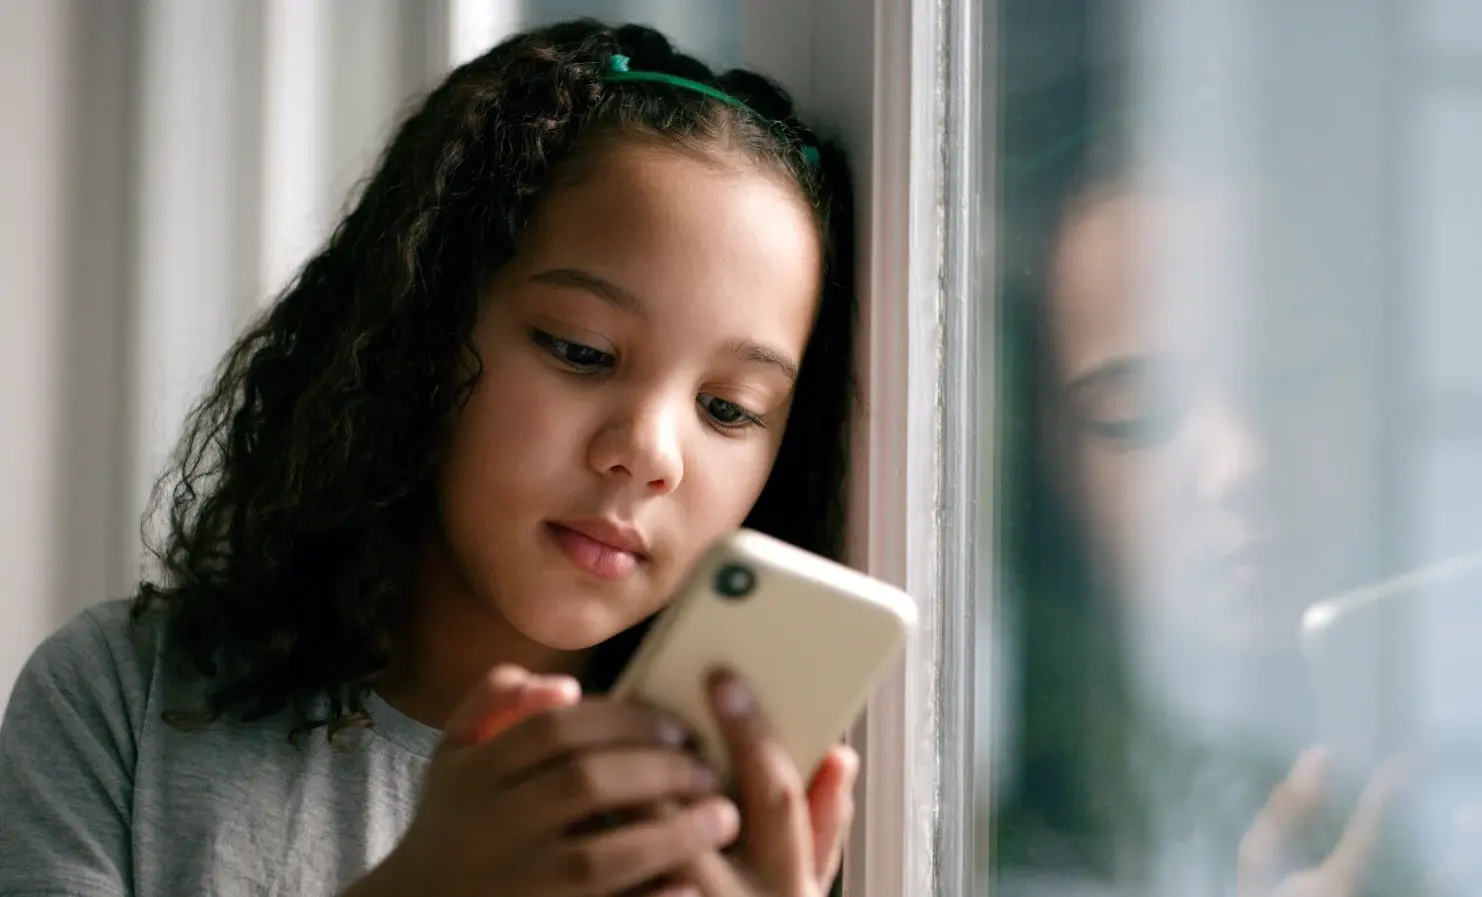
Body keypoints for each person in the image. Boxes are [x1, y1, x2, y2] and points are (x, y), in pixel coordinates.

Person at [0, 19, 861, 897]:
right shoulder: (118, 698)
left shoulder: (742, 830)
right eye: (581, 350)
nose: (647, 453)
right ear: (423, 334)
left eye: (728, 409)